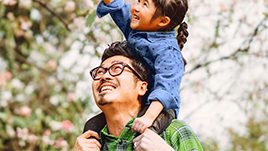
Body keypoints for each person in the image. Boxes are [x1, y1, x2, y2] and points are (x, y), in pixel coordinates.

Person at [82, 0, 189, 133]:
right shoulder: (136, 30)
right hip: (135, 100)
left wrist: (148, 117)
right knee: (91, 126)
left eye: (144, 5)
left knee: (144, 134)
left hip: (158, 108)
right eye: (138, 0)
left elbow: (167, 87)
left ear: (163, 21)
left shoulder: (168, 52)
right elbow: (114, 3)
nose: (135, 7)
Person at [73, 41, 203, 150]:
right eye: (100, 71)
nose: (105, 76)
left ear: (142, 87)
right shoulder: (89, 144)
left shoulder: (174, 132)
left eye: (117, 68)